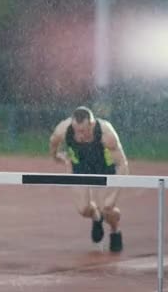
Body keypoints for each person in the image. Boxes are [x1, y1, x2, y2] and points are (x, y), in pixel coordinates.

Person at [49, 106, 129, 252]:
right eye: (76, 130)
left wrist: (114, 195)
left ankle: (115, 229)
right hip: (80, 166)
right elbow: (53, 141)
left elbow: (123, 164)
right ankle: (96, 217)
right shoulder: (64, 129)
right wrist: (56, 156)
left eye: (83, 131)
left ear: (91, 125)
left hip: (103, 168)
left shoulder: (106, 134)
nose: (79, 135)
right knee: (83, 209)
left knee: (108, 209)